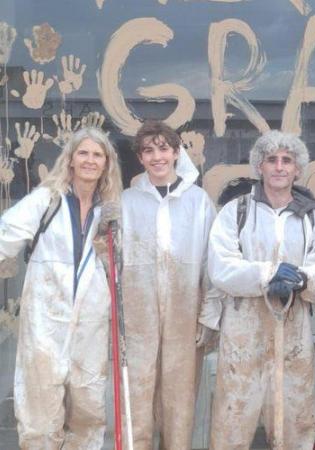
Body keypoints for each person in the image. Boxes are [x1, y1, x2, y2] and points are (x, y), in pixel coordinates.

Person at [205, 130, 315, 449]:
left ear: (297, 169)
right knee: (233, 417)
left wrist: (303, 279)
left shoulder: (311, 217)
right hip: (242, 329)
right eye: (271, 160)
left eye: (287, 161)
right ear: (259, 167)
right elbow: (220, 268)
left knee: (296, 418)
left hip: (294, 328)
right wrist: (268, 273)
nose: (279, 167)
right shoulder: (235, 212)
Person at [0, 127, 122, 449]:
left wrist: (110, 249)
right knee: (40, 414)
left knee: (89, 413)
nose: (90, 160)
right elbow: (5, 234)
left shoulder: (108, 212)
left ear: (106, 163)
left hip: (90, 327)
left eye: (97, 155)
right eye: (83, 153)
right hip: (46, 322)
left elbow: (122, 272)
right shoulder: (47, 199)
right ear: (70, 159)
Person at [120, 121, 217, 450]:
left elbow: (210, 263)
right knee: (136, 397)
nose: (157, 156)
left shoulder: (198, 201)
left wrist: (208, 314)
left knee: (180, 401)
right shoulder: (127, 202)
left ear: (177, 153)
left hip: (184, 312)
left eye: (164, 149)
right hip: (137, 316)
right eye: (149, 150)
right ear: (140, 158)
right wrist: (115, 320)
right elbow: (112, 264)